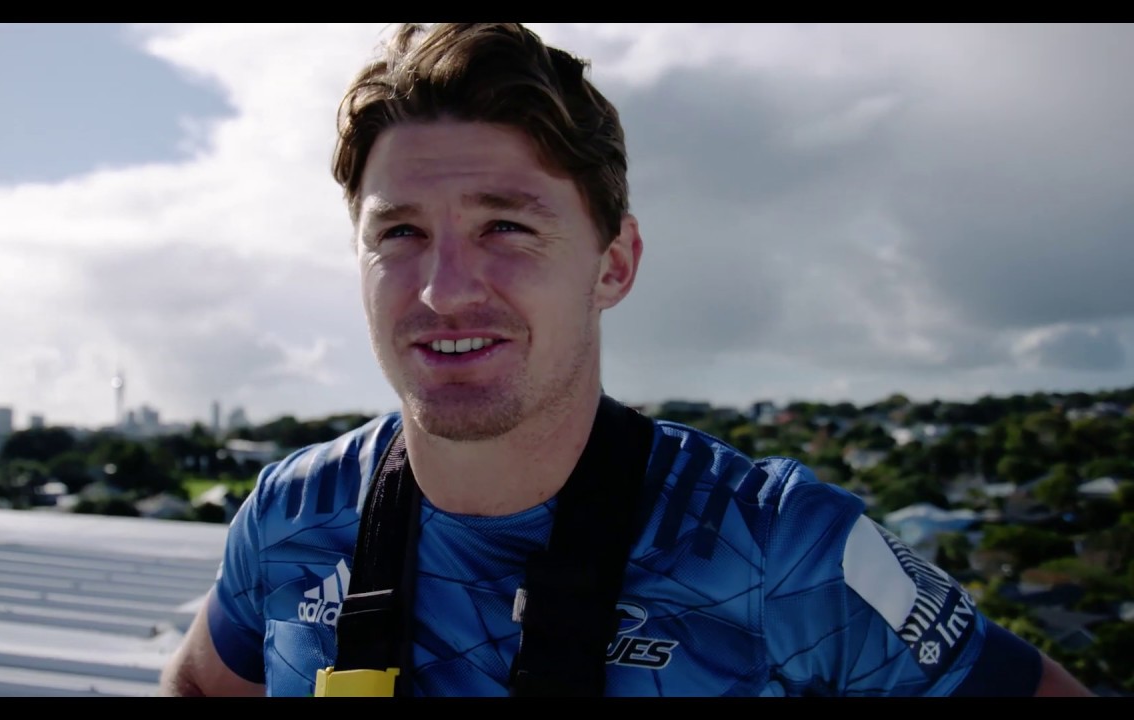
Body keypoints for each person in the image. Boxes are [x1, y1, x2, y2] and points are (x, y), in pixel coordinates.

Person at [158, 22, 1094, 697]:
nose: (444, 289)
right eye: (398, 232)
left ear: (614, 265)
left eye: (508, 227)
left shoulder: (779, 552)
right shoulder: (294, 517)